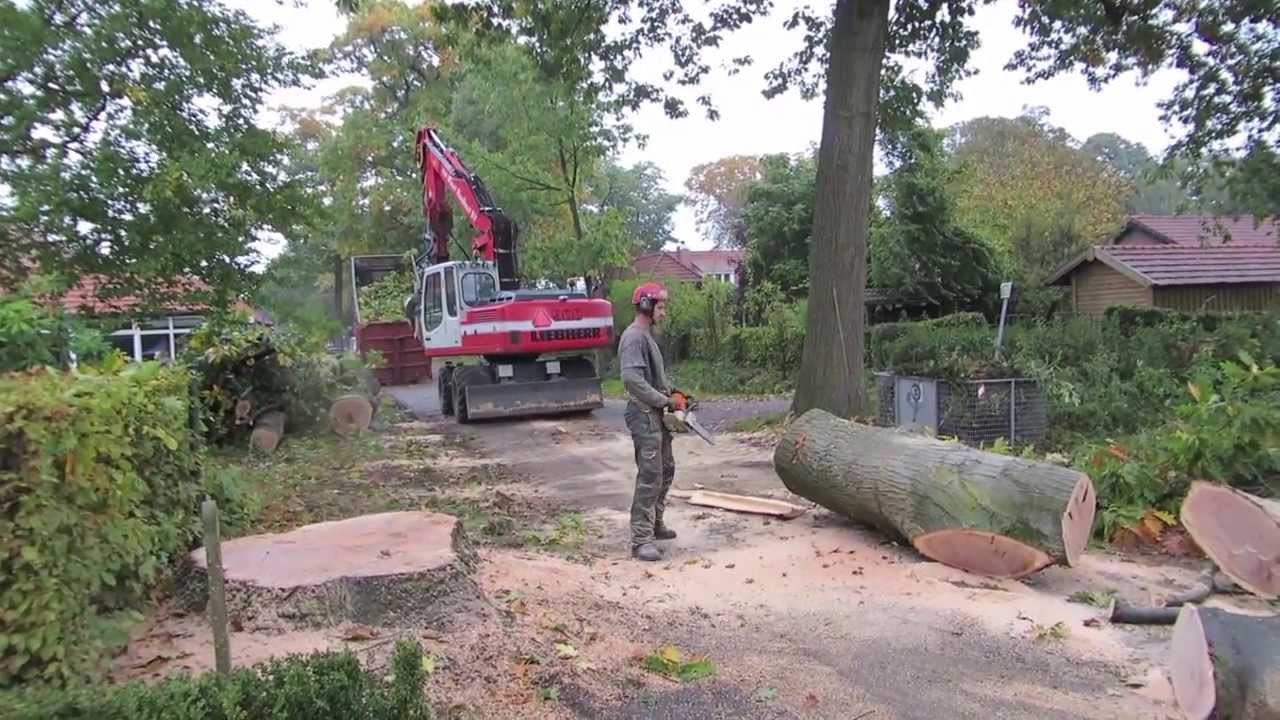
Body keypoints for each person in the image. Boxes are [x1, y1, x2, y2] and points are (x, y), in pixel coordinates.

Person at [618, 281, 686, 561]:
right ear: (646, 305)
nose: (664, 313)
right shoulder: (634, 337)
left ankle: (656, 523)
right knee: (650, 475)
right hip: (643, 415)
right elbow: (632, 380)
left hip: (655, 414)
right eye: (661, 307)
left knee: (666, 469)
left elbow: (652, 380)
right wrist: (665, 401)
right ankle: (640, 539)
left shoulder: (647, 336)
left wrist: (673, 394)